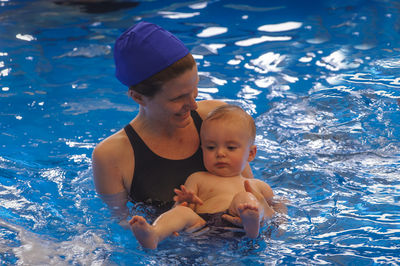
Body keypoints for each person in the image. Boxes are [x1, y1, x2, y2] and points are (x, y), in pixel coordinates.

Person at [91, 21, 254, 224]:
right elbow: (120, 229)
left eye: (195, 89)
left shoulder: (214, 117)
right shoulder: (112, 156)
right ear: (138, 98)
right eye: (178, 98)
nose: (193, 104)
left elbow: (251, 188)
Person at [129, 104, 276, 249]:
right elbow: (178, 208)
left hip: (238, 222)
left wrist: (265, 213)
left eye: (230, 147)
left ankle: (251, 222)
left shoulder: (257, 185)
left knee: (245, 198)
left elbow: (277, 210)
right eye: (211, 147)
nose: (220, 153)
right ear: (202, 150)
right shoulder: (198, 178)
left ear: (251, 153)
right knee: (182, 213)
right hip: (202, 226)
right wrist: (183, 202)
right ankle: (155, 234)